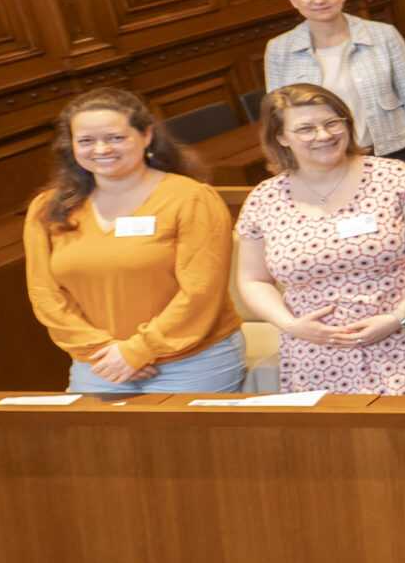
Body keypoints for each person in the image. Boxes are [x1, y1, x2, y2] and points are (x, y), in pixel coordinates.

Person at [24, 88, 246, 395]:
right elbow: (45, 295)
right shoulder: (47, 208)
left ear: (146, 136)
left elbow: (201, 291)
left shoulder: (191, 199)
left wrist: (139, 350)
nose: (101, 149)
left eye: (115, 137)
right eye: (86, 141)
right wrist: (101, 350)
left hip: (191, 361)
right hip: (99, 364)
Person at [233, 83, 405, 394]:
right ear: (281, 137)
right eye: (306, 129)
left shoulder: (397, 178)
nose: (323, 135)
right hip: (313, 354)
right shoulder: (264, 199)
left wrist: (399, 317)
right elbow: (253, 280)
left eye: (332, 123)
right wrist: (291, 325)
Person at [264, 0, 405, 166]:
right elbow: (278, 118)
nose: (318, 0)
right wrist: (291, 168)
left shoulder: (383, 35)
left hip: (392, 154)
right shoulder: (279, 49)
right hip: (321, 158)